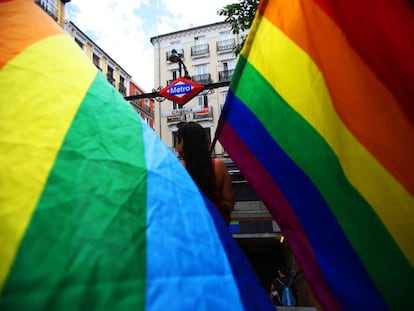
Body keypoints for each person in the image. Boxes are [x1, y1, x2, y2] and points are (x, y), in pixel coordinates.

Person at [175, 121, 234, 224]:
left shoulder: (177, 168)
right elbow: (229, 203)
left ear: (182, 142)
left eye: (177, 140)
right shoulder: (218, 166)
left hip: (189, 229)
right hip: (215, 229)